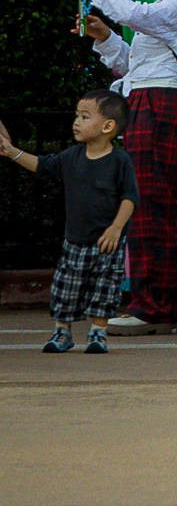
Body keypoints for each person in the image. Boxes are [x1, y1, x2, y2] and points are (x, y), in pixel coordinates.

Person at [82, 0, 177, 336]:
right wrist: (105, 38)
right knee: (168, 207)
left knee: (150, 207)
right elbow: (133, 64)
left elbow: (135, 14)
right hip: (153, 101)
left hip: (158, 105)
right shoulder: (168, 10)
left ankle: (151, 306)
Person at [2, 91, 135, 354]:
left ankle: (98, 333)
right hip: (75, 239)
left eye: (85, 117)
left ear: (108, 126)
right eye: (77, 115)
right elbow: (41, 165)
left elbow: (130, 197)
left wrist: (116, 227)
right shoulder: (71, 157)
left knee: (105, 289)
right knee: (66, 287)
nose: (76, 121)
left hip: (108, 244)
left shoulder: (120, 160)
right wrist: (12, 152)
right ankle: (62, 332)